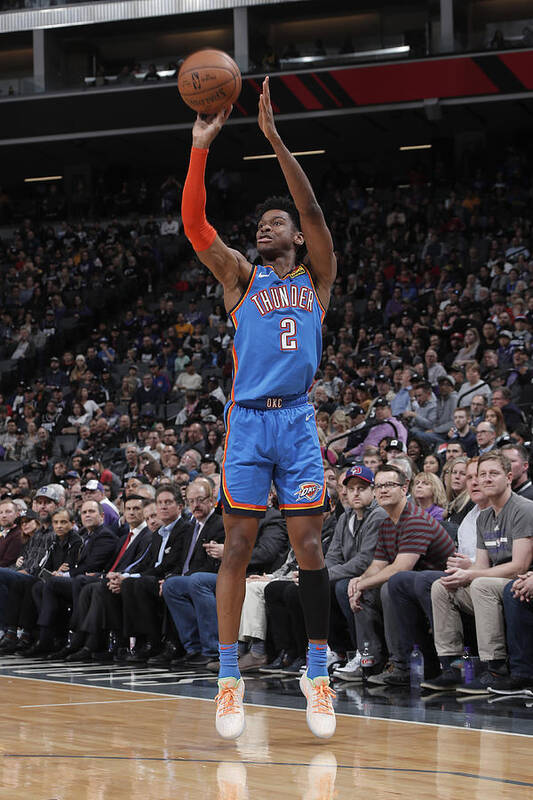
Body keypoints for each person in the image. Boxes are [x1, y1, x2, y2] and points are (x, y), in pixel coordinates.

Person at [181, 77, 337, 740]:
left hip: (297, 420)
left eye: (275, 225)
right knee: (238, 544)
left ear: (295, 239)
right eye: (260, 225)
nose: (264, 229)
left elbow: (315, 214)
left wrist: (274, 139)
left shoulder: (316, 276)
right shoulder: (240, 278)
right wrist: (198, 152)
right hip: (248, 421)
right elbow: (194, 225)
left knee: (307, 544)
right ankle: (226, 679)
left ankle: (317, 672)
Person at [424, 451, 533, 693]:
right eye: (482, 475)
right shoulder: (483, 517)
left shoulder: (523, 509)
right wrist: (462, 574)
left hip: (519, 582)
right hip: (494, 582)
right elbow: (481, 566)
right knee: (442, 586)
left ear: (508, 476)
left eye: (493, 473)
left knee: (481, 584)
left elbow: (519, 566)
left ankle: (493, 668)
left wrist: (472, 575)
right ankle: (451, 667)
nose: (486, 479)